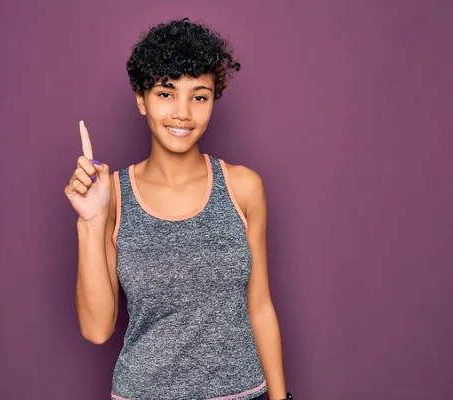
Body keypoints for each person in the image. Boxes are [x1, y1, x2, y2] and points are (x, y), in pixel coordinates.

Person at [64, 17, 292, 400]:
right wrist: (91, 220)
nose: (183, 113)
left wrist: (282, 399)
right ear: (141, 99)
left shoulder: (243, 187)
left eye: (199, 96)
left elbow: (261, 306)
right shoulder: (113, 195)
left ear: (212, 101)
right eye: (166, 94)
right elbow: (97, 328)